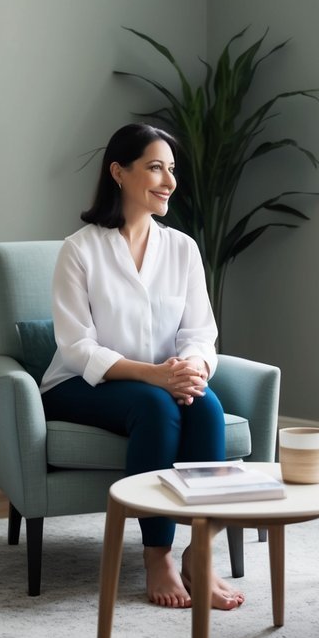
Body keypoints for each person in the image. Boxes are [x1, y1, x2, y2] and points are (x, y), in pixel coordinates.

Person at [38, 122, 245, 611]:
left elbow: (200, 332)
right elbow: (76, 347)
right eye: (155, 168)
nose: (169, 181)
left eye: (171, 170)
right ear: (119, 172)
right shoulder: (79, 249)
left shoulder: (183, 249)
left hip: (164, 379)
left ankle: (201, 553)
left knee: (205, 407)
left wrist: (191, 370)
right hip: (81, 384)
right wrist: (154, 374)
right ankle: (158, 555)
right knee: (156, 407)